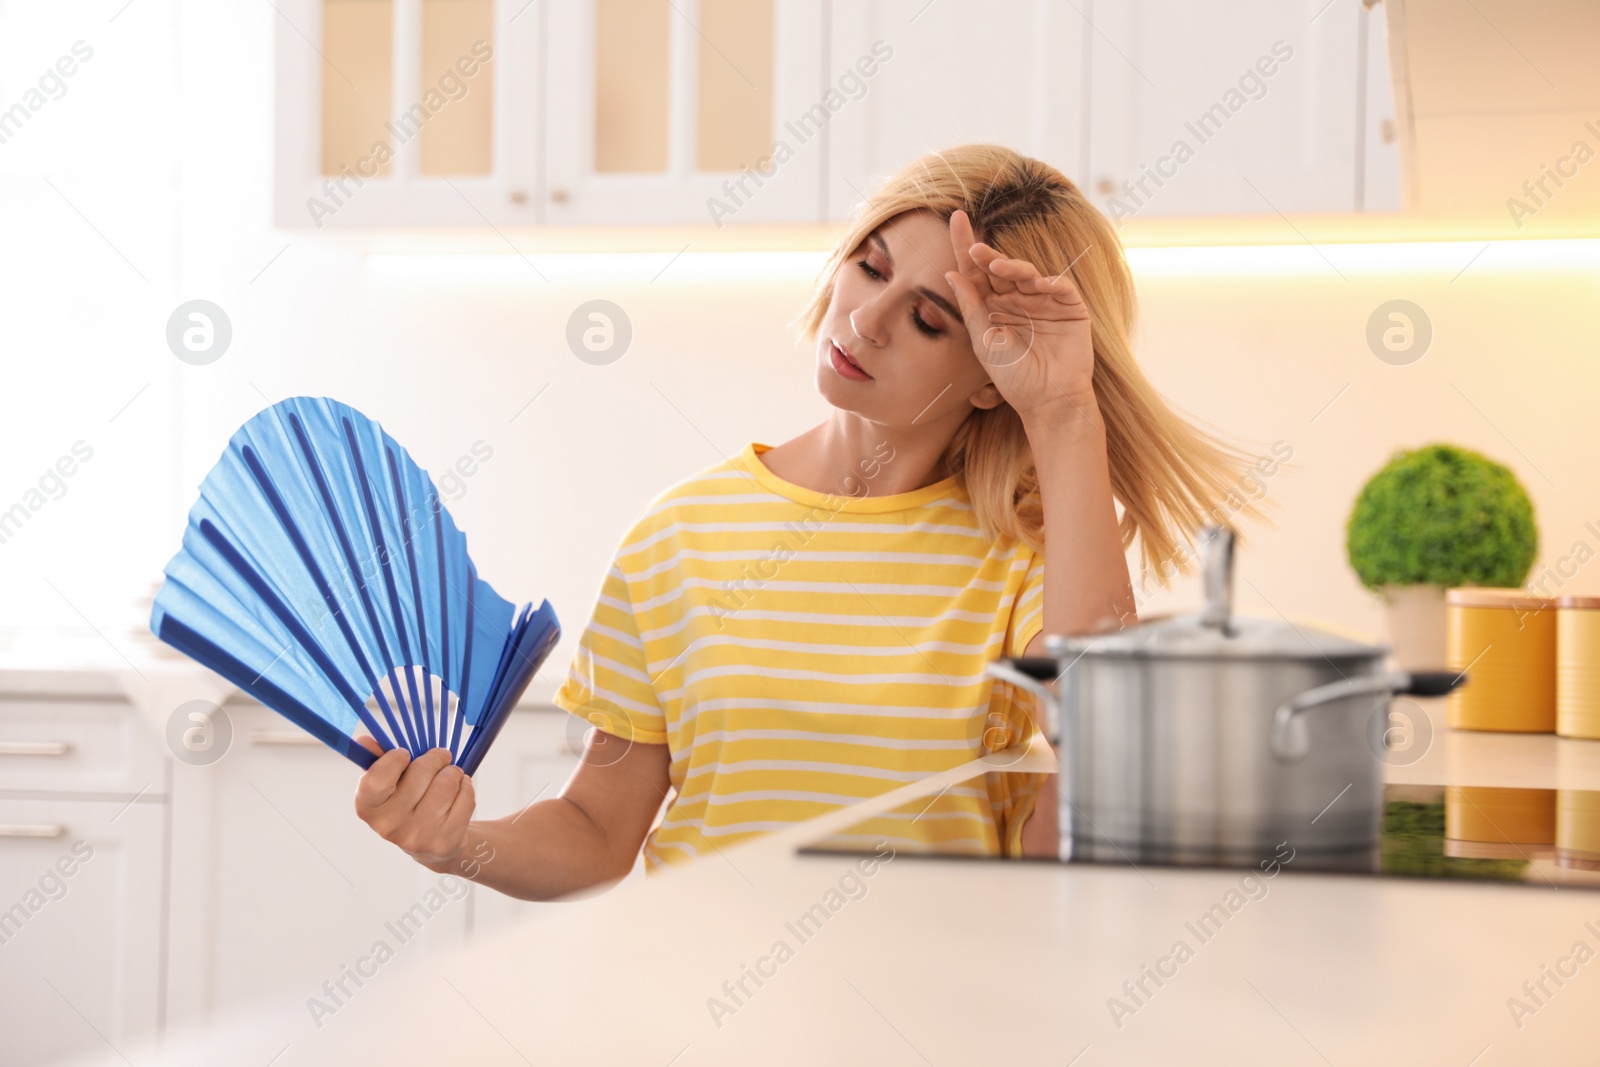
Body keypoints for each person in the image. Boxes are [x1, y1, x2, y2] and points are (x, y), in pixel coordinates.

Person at [354, 144, 1261, 900]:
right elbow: (596, 830)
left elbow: (1105, 747)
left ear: (994, 372)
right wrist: (452, 844)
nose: (865, 321)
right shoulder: (678, 535)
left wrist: (1063, 412)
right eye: (869, 267)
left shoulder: (1024, 555)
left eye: (929, 318)